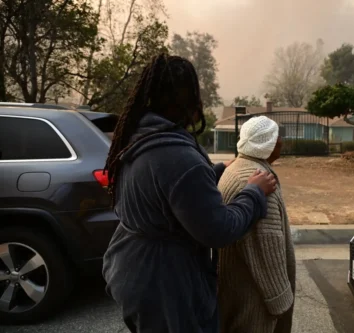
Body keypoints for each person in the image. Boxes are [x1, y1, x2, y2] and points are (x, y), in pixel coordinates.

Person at [101, 54, 277, 333]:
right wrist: (254, 193)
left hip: (131, 271)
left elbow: (174, 190)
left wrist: (216, 170)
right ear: (188, 102)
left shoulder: (139, 138)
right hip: (167, 288)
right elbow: (219, 229)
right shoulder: (179, 158)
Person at [217, 116, 296, 333]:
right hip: (254, 300)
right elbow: (266, 248)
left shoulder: (236, 168)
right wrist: (280, 300)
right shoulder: (259, 180)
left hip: (234, 288)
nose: (281, 140)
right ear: (269, 144)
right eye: (277, 136)